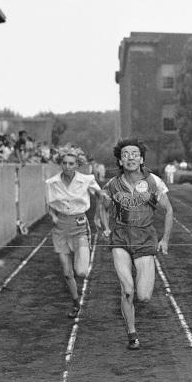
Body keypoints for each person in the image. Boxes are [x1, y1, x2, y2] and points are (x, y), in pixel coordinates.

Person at [101, 140, 173, 351]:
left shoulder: (154, 182)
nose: (130, 157)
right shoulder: (112, 185)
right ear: (120, 160)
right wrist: (106, 227)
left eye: (135, 154)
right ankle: (132, 334)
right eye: (126, 154)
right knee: (128, 291)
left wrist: (165, 239)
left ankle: (132, 304)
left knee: (144, 296)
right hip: (121, 238)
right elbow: (103, 209)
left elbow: (168, 210)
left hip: (145, 238)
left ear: (141, 159)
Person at [45, 152, 102, 317]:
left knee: (82, 271)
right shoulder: (52, 183)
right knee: (66, 272)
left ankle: (78, 290)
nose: (67, 166)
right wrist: (53, 216)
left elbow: (101, 195)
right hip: (61, 228)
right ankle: (75, 302)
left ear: (77, 164)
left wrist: (100, 211)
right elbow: (50, 205)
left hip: (79, 226)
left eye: (71, 163)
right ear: (60, 164)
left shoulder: (87, 179)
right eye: (65, 163)